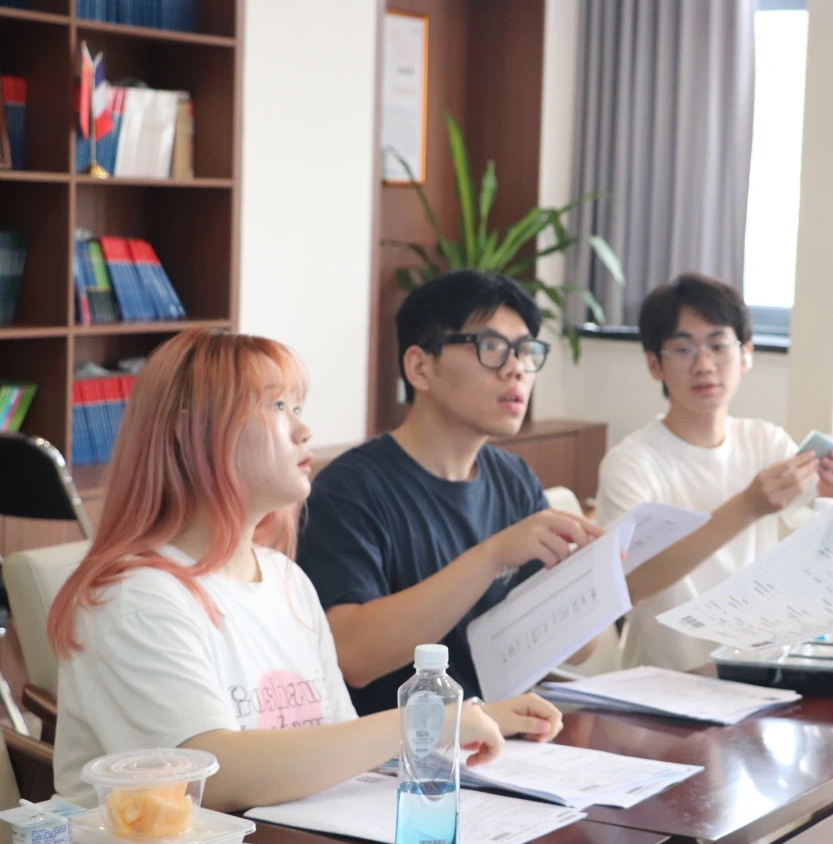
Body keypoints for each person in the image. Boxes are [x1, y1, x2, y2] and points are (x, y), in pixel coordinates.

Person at [47, 329, 560, 811]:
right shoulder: (135, 596)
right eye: (277, 407)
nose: (303, 429)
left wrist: (464, 720)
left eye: (297, 408)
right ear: (191, 432)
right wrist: (423, 722)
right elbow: (209, 778)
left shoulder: (285, 579)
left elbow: (341, 754)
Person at [297, 271, 602, 713]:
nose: (516, 368)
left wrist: (587, 574)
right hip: (401, 748)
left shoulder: (514, 478)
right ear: (420, 368)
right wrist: (492, 556)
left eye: (525, 350)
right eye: (492, 347)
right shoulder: (349, 489)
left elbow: (580, 650)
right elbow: (354, 657)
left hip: (505, 734)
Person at [596, 274, 833, 671]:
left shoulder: (765, 441)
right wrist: (747, 507)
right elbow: (629, 586)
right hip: (664, 680)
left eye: (718, 345)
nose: (704, 365)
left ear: (746, 356)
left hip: (760, 670)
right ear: (655, 364)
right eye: (683, 349)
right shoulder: (631, 463)